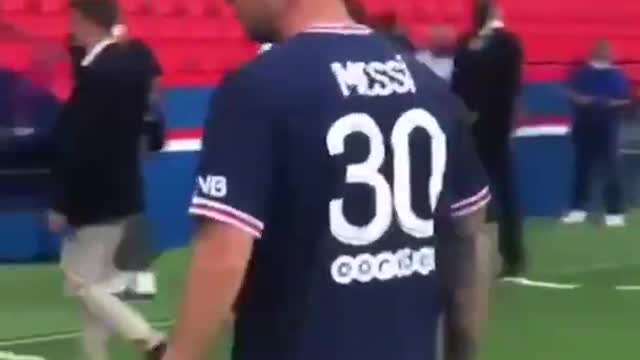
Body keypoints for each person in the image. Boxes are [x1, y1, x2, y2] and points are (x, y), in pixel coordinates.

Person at [160, 0, 492, 359]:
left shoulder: (257, 88)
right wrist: (462, 349)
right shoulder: (429, 87)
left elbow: (224, 251)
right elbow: (468, 237)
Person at [48, 0, 165, 359]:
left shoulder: (98, 77)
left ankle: (149, 339)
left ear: (83, 20)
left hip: (96, 199)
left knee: (81, 282)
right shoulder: (132, 61)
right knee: (95, 289)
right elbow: (147, 88)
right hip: (125, 191)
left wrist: (61, 204)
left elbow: (81, 147)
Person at [451, 0, 525, 277]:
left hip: (491, 126)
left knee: (501, 194)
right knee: (486, 195)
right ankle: (499, 255)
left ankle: (510, 255)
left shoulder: (502, 44)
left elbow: (508, 84)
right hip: (479, 127)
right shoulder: (471, 43)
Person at [562, 40, 631, 226]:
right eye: (601, 50)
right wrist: (586, 101)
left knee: (612, 170)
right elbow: (572, 94)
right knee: (582, 169)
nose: (605, 53)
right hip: (585, 126)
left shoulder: (617, 75)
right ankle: (579, 209)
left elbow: (625, 100)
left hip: (609, 128)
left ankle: (614, 212)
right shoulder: (583, 74)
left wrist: (606, 103)